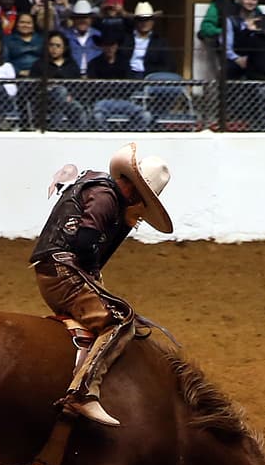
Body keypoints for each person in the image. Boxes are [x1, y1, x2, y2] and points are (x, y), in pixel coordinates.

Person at [29, 142, 172, 426]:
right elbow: (84, 246)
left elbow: (89, 249)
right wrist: (121, 228)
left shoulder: (96, 187)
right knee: (120, 322)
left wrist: (124, 225)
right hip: (64, 274)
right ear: (136, 191)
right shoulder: (106, 197)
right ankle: (82, 393)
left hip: (55, 270)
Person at [128, 2, 173, 77]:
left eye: (148, 19)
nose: (144, 23)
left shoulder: (160, 42)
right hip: (127, 78)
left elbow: (170, 65)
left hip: (151, 78)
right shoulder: (126, 39)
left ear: (153, 22)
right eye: (141, 19)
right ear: (136, 21)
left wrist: (152, 73)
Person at [63, 0, 101, 75]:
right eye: (79, 17)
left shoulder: (98, 36)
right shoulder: (65, 36)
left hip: (95, 77)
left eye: (85, 17)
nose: (82, 20)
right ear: (73, 19)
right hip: (71, 76)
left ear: (91, 19)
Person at [4, 12, 42, 76]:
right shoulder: (7, 40)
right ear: (17, 24)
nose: (25, 25)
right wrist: (19, 72)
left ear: (33, 25)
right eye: (22, 22)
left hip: (39, 75)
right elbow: (5, 61)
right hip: (16, 75)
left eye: (28, 23)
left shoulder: (42, 39)